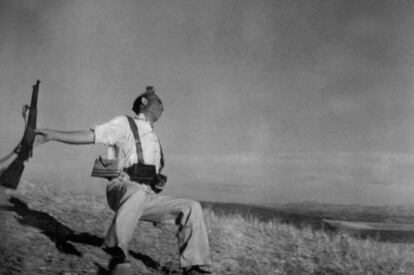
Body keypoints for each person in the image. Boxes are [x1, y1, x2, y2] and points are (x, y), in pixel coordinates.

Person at [35, 86, 212, 275]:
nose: (163, 108)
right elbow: (91, 136)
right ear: (144, 102)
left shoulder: (154, 139)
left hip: (145, 196)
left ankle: (195, 266)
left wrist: (156, 181)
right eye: (159, 102)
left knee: (192, 207)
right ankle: (116, 250)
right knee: (135, 192)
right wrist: (52, 134)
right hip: (121, 188)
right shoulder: (125, 123)